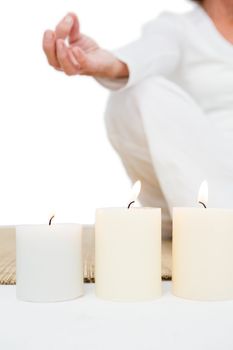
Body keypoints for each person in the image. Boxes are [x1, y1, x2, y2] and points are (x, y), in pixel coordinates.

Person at [43, 0, 233, 237]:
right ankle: (211, 226)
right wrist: (110, 64)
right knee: (134, 95)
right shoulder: (179, 28)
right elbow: (152, 50)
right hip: (193, 184)